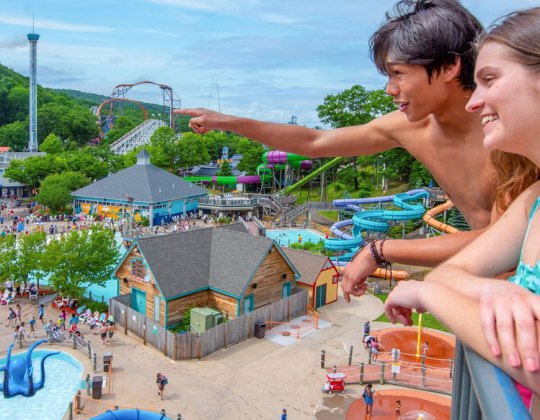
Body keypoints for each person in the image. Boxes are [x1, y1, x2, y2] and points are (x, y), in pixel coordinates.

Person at [176, 0, 499, 303]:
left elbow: (502, 240)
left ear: (448, 67)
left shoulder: (508, 133)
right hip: (486, 290)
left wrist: (378, 250)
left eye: (398, 73)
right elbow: (313, 142)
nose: (389, 89)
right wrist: (229, 122)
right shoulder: (409, 127)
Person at [384, 7, 540, 410]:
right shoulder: (533, 198)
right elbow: (452, 272)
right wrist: (491, 289)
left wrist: (431, 295)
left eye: (489, 80)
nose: (476, 102)